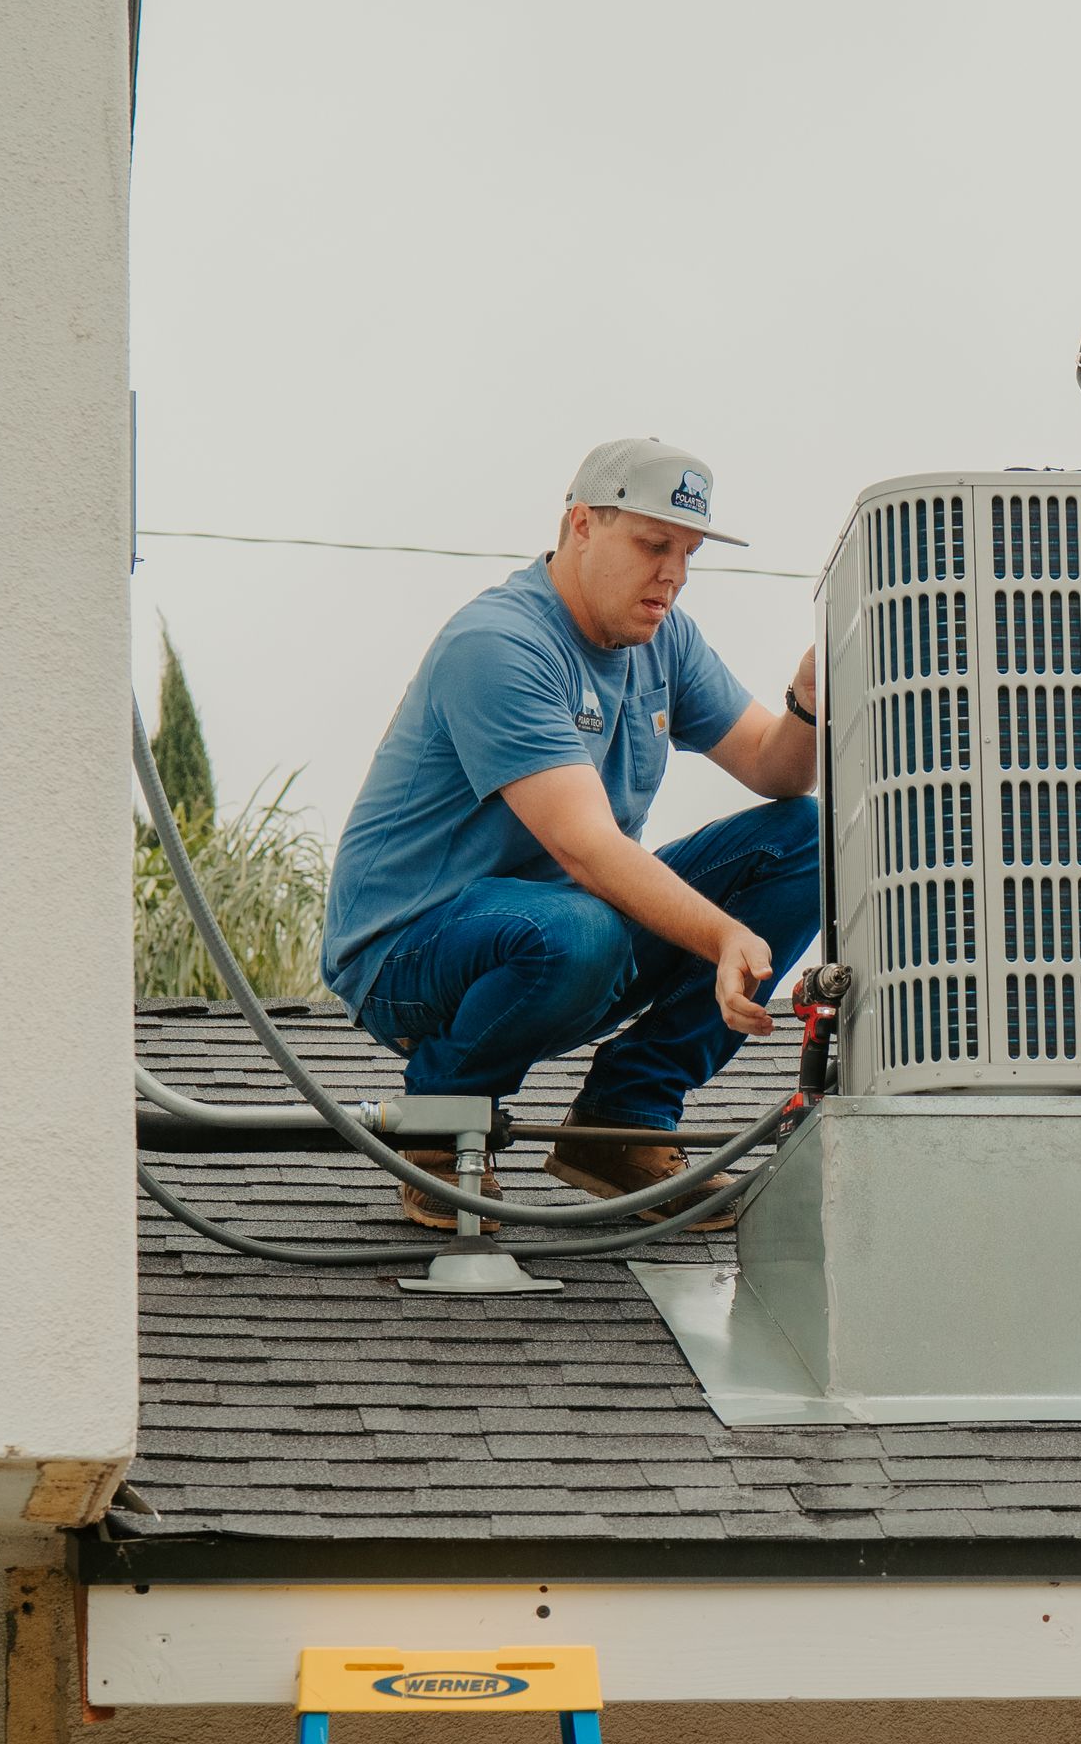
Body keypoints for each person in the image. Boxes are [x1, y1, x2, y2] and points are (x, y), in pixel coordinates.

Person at [321, 437, 821, 1227]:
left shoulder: (665, 637)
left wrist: (806, 700)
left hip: (562, 930)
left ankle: (621, 1123)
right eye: (654, 546)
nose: (674, 576)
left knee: (805, 838)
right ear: (580, 525)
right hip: (411, 952)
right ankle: (442, 1127)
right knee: (580, 931)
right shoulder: (500, 644)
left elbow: (775, 768)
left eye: (688, 552)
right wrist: (725, 936)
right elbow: (583, 847)